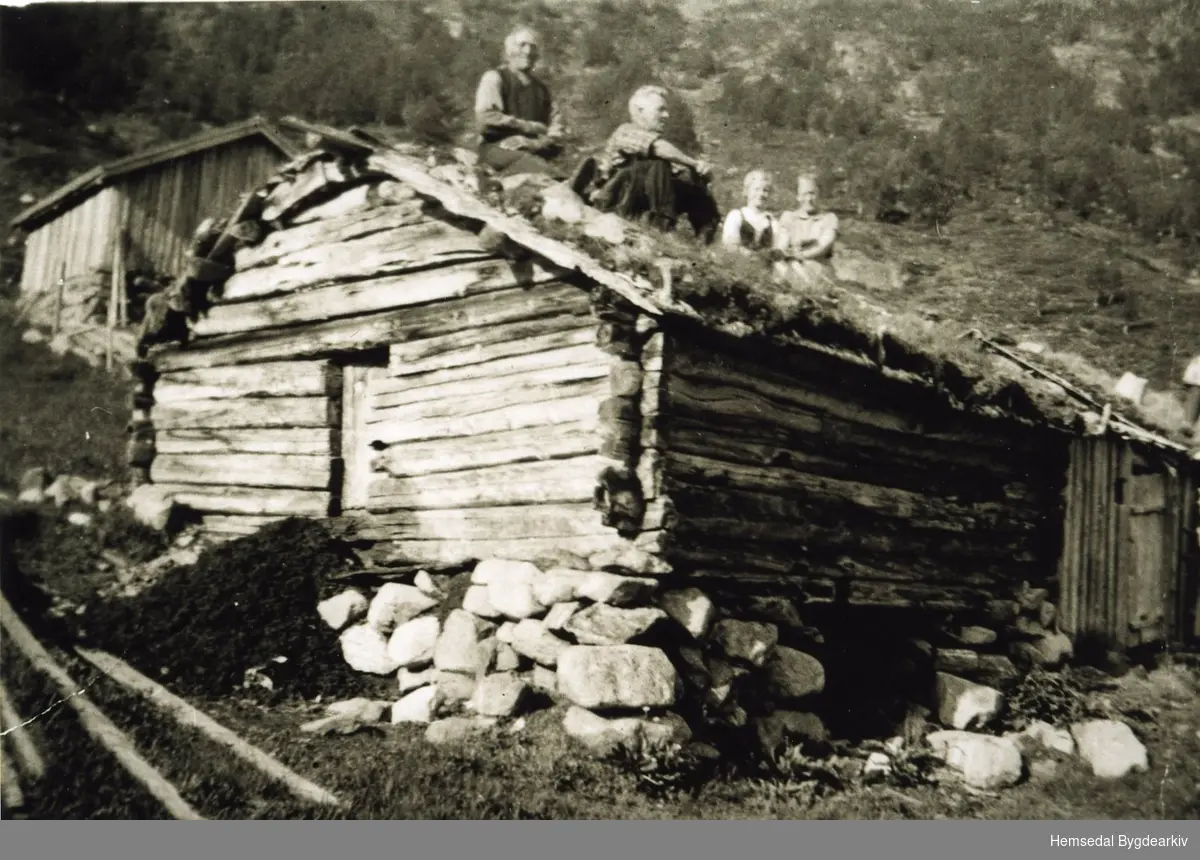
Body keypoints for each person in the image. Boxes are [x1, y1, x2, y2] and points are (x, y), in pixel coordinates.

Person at [579, 85, 721, 244]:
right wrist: (695, 163)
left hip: (639, 201)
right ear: (640, 111)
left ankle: (702, 242)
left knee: (695, 185)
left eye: (666, 110)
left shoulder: (662, 148)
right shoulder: (626, 131)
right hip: (615, 201)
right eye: (660, 110)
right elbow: (658, 148)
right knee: (656, 164)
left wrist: (700, 174)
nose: (666, 115)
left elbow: (681, 173)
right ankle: (662, 226)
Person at [474, 26, 567, 178]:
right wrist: (529, 127)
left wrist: (533, 143)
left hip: (534, 151)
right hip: (497, 149)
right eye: (522, 45)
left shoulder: (542, 91)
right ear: (509, 51)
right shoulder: (495, 78)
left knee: (541, 166)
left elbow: (558, 132)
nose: (528, 52)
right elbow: (485, 119)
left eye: (533, 47)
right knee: (542, 171)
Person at [773, 173, 839, 287]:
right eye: (804, 194)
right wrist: (782, 252)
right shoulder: (788, 217)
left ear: (819, 195)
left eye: (812, 193)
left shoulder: (829, 218)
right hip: (793, 267)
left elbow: (822, 246)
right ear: (798, 196)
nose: (808, 199)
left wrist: (800, 255)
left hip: (818, 271)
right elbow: (782, 243)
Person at [721, 169, 779, 253]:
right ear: (747, 191)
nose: (761, 194)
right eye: (756, 189)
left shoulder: (772, 222)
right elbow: (729, 246)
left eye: (765, 190)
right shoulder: (736, 216)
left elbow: (775, 251)